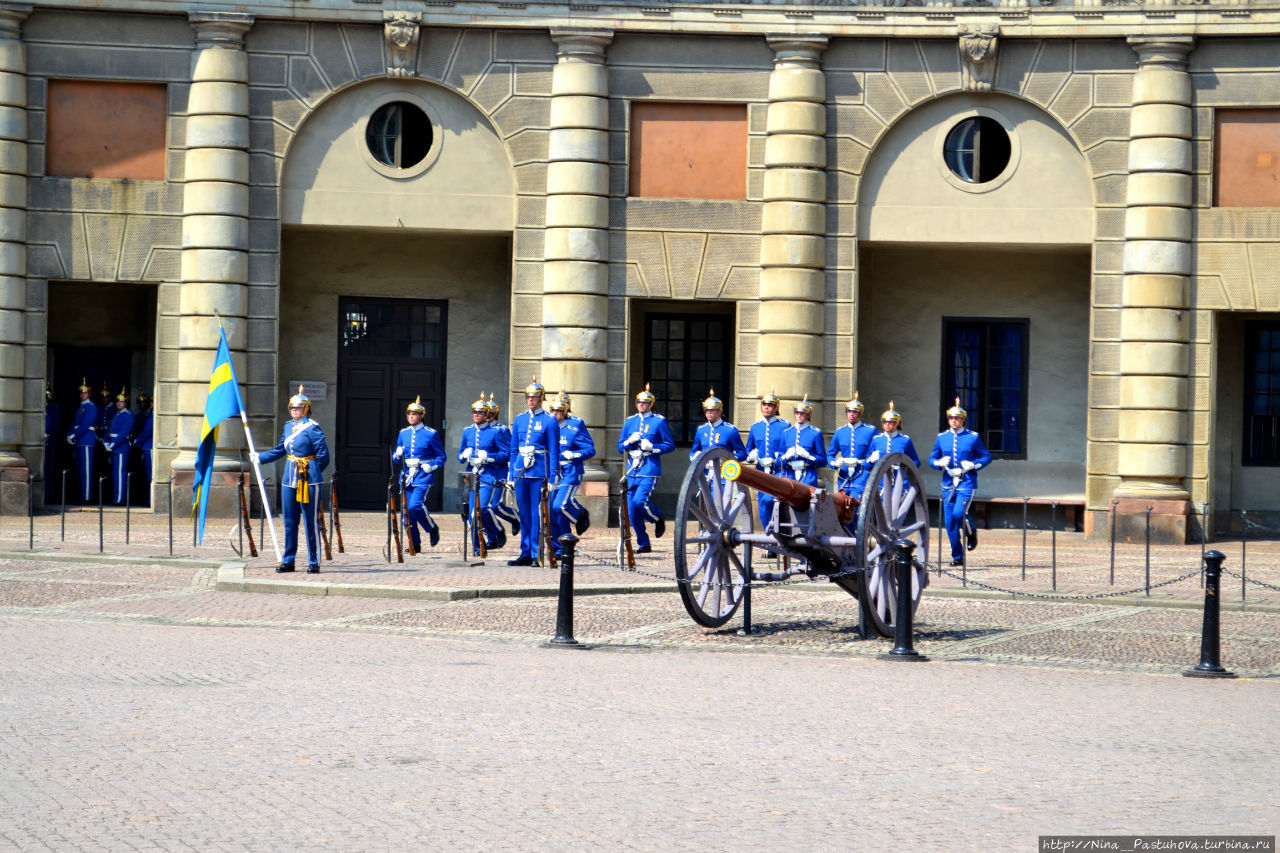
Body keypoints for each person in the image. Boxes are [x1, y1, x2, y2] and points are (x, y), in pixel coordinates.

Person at [253, 386, 331, 573]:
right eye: (292, 408)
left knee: (311, 521)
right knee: (290, 520)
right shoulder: (288, 426)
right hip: (290, 478)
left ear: (306, 409)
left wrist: (312, 472)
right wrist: (260, 457)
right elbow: (281, 449)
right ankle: (289, 560)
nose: (294, 411)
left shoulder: (313, 428)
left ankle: (314, 561)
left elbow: (324, 455)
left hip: (309, 479)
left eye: (298, 408)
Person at [928, 398, 993, 566]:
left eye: (957, 418)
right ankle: (957, 556)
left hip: (967, 482)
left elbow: (986, 457)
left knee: (959, 513)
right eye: (951, 418)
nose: (954, 421)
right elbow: (932, 458)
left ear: (963, 419)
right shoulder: (942, 438)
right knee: (950, 523)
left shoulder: (972, 437)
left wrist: (973, 465)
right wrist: (938, 463)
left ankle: (971, 532)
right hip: (948, 483)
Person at [617, 383, 675, 554]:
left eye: (644, 403)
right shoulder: (630, 422)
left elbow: (669, 445)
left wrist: (653, 447)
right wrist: (628, 442)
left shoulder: (658, 421)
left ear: (651, 404)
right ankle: (644, 543)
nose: (641, 405)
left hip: (649, 468)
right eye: (638, 403)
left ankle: (657, 516)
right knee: (631, 509)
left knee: (639, 501)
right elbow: (620, 447)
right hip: (632, 469)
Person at [507, 378, 559, 566]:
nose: (531, 400)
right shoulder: (520, 419)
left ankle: (537, 553)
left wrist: (553, 476)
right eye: (528, 397)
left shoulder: (549, 420)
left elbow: (554, 450)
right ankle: (525, 551)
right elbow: (513, 450)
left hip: (539, 471)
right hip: (521, 471)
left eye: (534, 397)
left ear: (541, 399)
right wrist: (512, 474)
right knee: (524, 513)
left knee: (537, 514)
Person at [392, 396, 446, 552]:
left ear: (421, 415)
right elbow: (396, 457)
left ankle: (431, 527)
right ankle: (414, 544)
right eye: (409, 414)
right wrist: (398, 454)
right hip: (407, 475)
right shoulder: (403, 433)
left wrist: (431, 466)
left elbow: (442, 456)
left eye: (414, 414)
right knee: (406, 512)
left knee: (415, 506)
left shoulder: (431, 433)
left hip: (423, 474)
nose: (411, 416)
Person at [458, 391, 508, 555]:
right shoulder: (467, 431)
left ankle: (495, 531)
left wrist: (489, 457)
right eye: (474, 412)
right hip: (470, 475)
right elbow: (459, 456)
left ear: (486, 414)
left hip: (488, 475)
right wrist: (464, 455)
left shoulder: (496, 432)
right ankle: (479, 547)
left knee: (483, 508)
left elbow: (505, 454)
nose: (476, 415)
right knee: (470, 514)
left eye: (479, 412)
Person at [548, 391, 595, 556]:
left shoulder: (575, 426)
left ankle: (580, 514)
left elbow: (590, 450)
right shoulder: (548, 425)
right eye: (553, 410)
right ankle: (560, 546)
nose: (555, 414)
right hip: (553, 473)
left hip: (570, 471)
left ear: (565, 411)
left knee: (559, 506)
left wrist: (574, 455)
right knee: (552, 511)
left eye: (559, 411)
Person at [744, 387, 787, 527]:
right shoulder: (755, 427)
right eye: (764, 405)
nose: (766, 408)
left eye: (770, 405)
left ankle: (779, 536)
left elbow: (788, 449)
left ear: (776, 408)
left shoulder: (785, 426)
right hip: (761, 471)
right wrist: (752, 457)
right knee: (763, 504)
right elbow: (748, 450)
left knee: (776, 503)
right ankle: (769, 535)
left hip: (778, 471)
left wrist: (777, 459)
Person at [828, 392, 877, 502]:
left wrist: (868, 461)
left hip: (861, 475)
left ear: (860, 414)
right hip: (843, 476)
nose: (851, 414)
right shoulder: (840, 432)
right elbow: (830, 454)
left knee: (856, 507)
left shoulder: (870, 431)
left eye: (854, 412)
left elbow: (875, 452)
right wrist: (834, 463)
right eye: (849, 412)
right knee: (842, 507)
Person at [484, 393, 520, 537]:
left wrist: (490, 458)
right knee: (483, 507)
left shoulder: (501, 430)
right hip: (483, 474)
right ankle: (492, 535)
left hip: (498, 472)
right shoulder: (477, 430)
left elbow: (509, 453)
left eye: (490, 413)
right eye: (485, 413)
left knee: (495, 506)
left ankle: (515, 518)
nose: (488, 416)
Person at [688, 388, 747, 463]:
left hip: (722, 472)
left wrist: (727, 459)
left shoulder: (730, 430)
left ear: (720, 411)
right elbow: (693, 451)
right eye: (706, 410)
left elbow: (742, 454)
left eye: (712, 410)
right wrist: (694, 456)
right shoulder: (701, 430)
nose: (709, 412)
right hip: (705, 472)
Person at [781, 395, 828, 487]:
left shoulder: (815, 433)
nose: (799, 415)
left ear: (808, 415)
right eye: (797, 413)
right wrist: (786, 457)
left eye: (802, 413)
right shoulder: (786, 433)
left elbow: (823, 461)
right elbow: (779, 461)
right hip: (790, 476)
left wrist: (808, 456)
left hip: (808, 477)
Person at [65, 378, 97, 503]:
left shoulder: (91, 407)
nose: (83, 395)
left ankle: (87, 497)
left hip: (86, 441)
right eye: (81, 393)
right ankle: (83, 495)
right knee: (80, 471)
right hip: (80, 441)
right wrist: (70, 434)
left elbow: (85, 424)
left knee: (86, 471)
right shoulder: (81, 406)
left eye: (85, 393)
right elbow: (75, 423)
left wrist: (74, 436)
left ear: (89, 394)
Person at [866, 401, 921, 469]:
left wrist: (904, 465)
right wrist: (871, 461)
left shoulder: (905, 440)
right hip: (881, 478)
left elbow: (916, 462)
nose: (887, 424)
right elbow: (866, 465)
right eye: (885, 422)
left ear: (897, 423)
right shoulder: (877, 440)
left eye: (890, 422)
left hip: (899, 477)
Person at [101, 387, 133, 505]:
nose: (119, 403)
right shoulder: (117, 414)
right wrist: (105, 441)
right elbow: (109, 429)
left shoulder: (128, 415)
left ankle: (120, 499)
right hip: (113, 448)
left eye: (122, 401)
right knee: (115, 475)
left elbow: (123, 434)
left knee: (120, 474)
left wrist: (112, 445)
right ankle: (116, 498)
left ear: (125, 403)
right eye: (118, 401)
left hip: (120, 448)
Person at [132, 391, 154, 488]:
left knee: (151, 475)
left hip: (148, 446)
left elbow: (148, 431)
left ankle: (150, 500)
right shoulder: (149, 415)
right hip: (145, 446)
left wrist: (137, 441)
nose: (151, 404)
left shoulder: (152, 416)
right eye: (151, 402)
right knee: (148, 474)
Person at [43, 387, 59, 493]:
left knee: (49, 468)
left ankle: (49, 493)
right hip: (41, 441)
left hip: (50, 440)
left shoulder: (54, 408)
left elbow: (55, 424)